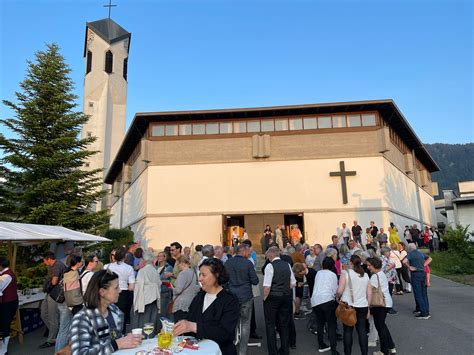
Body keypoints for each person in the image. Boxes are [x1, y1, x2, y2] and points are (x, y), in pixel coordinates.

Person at [173, 258, 240, 355]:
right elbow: (190, 320)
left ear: (216, 275)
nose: (200, 279)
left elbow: (225, 333)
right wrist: (179, 326)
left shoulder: (230, 301)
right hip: (197, 351)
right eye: (199, 274)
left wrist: (194, 327)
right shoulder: (199, 297)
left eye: (203, 275)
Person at [70, 270, 143, 353]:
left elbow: (114, 338)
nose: (120, 290)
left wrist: (127, 338)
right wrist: (117, 344)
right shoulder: (82, 319)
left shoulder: (116, 312)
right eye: (116, 288)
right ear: (102, 292)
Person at [225, 244, 259, 355]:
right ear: (243, 251)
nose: (249, 253)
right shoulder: (248, 263)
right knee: (245, 324)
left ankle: (231, 346)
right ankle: (242, 352)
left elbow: (224, 279)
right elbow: (255, 281)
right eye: (248, 251)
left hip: (232, 296)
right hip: (245, 296)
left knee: (232, 323)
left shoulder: (228, 262)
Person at [262, 246, 296, 355]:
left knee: (270, 324)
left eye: (267, 254)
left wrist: (264, 298)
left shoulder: (269, 266)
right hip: (285, 297)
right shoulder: (287, 265)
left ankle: (273, 351)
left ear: (271, 254)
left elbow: (267, 286)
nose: (267, 256)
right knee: (284, 324)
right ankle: (285, 350)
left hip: (272, 297)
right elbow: (293, 283)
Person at [336, 255, 371, 355]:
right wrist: (368, 307)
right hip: (362, 305)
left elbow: (340, 290)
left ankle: (348, 353)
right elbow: (369, 293)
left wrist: (337, 297)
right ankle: (364, 353)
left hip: (348, 305)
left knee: (347, 331)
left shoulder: (345, 273)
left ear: (350, 263)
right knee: (362, 331)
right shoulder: (365, 275)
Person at [366, 257, 396, 355]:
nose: (368, 267)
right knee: (382, 325)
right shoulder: (381, 273)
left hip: (380, 303)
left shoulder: (375, 276)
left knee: (380, 327)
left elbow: (368, 290)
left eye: (369, 265)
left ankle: (384, 351)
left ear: (374, 265)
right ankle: (391, 346)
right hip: (386, 302)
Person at [311, 257, 338, 355]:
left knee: (320, 323)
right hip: (327, 300)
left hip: (315, 300)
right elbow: (335, 290)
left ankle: (321, 344)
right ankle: (334, 349)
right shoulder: (333, 275)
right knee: (331, 324)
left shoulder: (318, 273)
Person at [105, 247, 135, 333]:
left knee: (109, 315)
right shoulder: (129, 268)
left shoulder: (107, 266)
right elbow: (131, 287)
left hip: (108, 293)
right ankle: (121, 335)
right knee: (122, 318)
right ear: (124, 256)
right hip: (123, 294)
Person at [40, 251, 66, 349]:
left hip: (55, 294)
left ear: (49, 259)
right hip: (50, 293)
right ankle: (56, 332)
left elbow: (54, 281)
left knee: (52, 317)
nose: (44, 263)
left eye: (44, 261)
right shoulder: (52, 265)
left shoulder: (57, 265)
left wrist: (47, 284)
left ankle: (51, 339)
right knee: (44, 314)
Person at [133, 251, 161, 335]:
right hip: (154, 298)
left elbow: (138, 287)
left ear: (144, 260)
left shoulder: (142, 271)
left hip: (145, 299)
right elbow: (159, 284)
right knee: (152, 321)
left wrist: (136, 302)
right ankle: (150, 338)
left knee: (144, 322)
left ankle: (144, 339)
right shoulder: (155, 270)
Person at [405, 244, 432, 319]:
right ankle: (426, 311)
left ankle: (423, 313)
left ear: (409, 249)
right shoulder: (420, 253)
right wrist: (423, 265)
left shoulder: (410, 254)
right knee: (424, 294)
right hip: (422, 273)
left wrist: (409, 266)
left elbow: (404, 261)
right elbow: (430, 258)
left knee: (418, 294)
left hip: (415, 274)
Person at [0, 257, 18, 355]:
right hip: (10, 302)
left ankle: (3, 350)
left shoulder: (6, 276)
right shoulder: (6, 274)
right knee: (3, 325)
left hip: (8, 303)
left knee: (4, 326)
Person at [172, 256, 198, 322]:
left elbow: (178, 290)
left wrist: (172, 288)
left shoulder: (183, 273)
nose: (177, 266)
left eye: (178, 264)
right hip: (190, 301)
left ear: (182, 263)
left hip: (181, 303)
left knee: (179, 326)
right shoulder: (193, 272)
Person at [380, 247, 398, 315]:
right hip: (387, 279)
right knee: (388, 294)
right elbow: (382, 270)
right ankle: (388, 308)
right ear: (385, 252)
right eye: (388, 252)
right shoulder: (382, 260)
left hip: (390, 279)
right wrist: (392, 266)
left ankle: (388, 307)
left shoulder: (387, 259)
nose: (390, 253)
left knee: (389, 293)